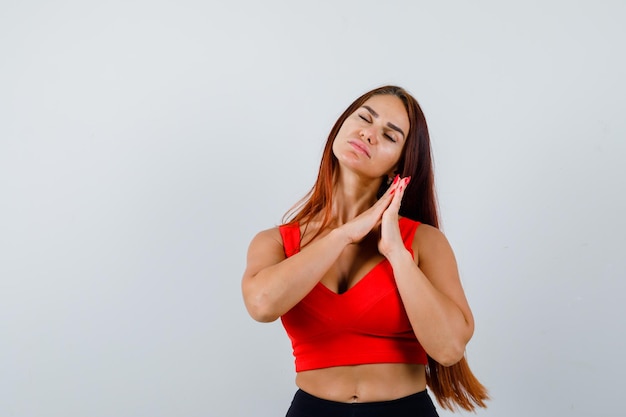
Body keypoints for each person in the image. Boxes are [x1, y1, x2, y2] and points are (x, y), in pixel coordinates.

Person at [242, 85, 488, 416]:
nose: (368, 134)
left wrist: (396, 253)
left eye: (390, 135)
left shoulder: (423, 242)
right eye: (364, 119)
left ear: (397, 168)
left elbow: (449, 348)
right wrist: (343, 235)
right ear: (340, 128)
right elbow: (262, 306)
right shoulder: (275, 242)